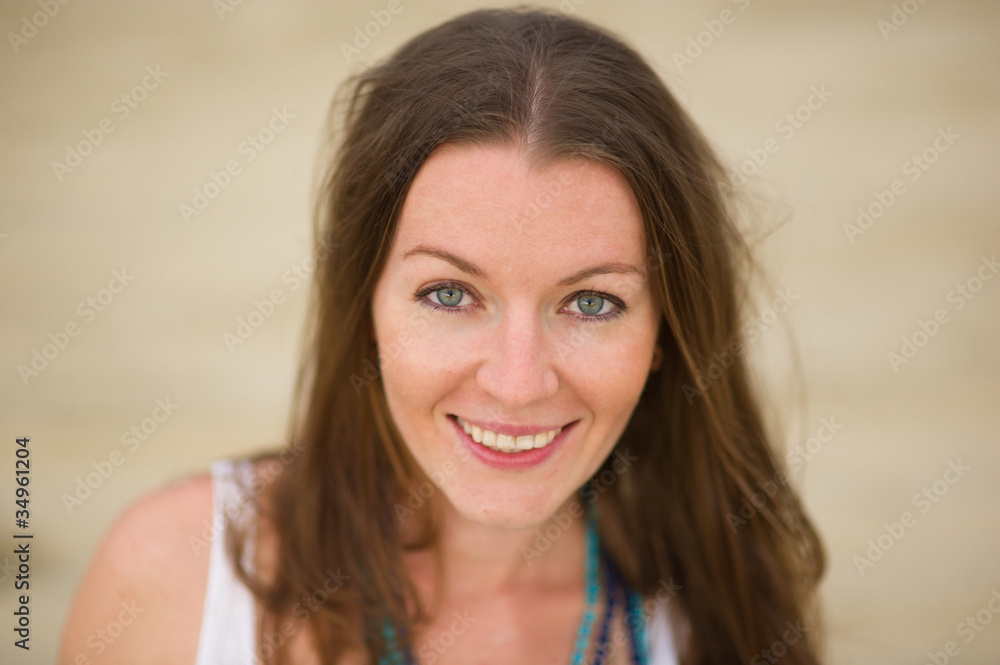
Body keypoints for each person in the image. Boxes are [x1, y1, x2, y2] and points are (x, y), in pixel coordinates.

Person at [59, 7, 825, 664]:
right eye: (450, 293)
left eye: (592, 303)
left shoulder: (725, 615)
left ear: (665, 331)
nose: (518, 381)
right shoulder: (176, 579)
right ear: (364, 306)